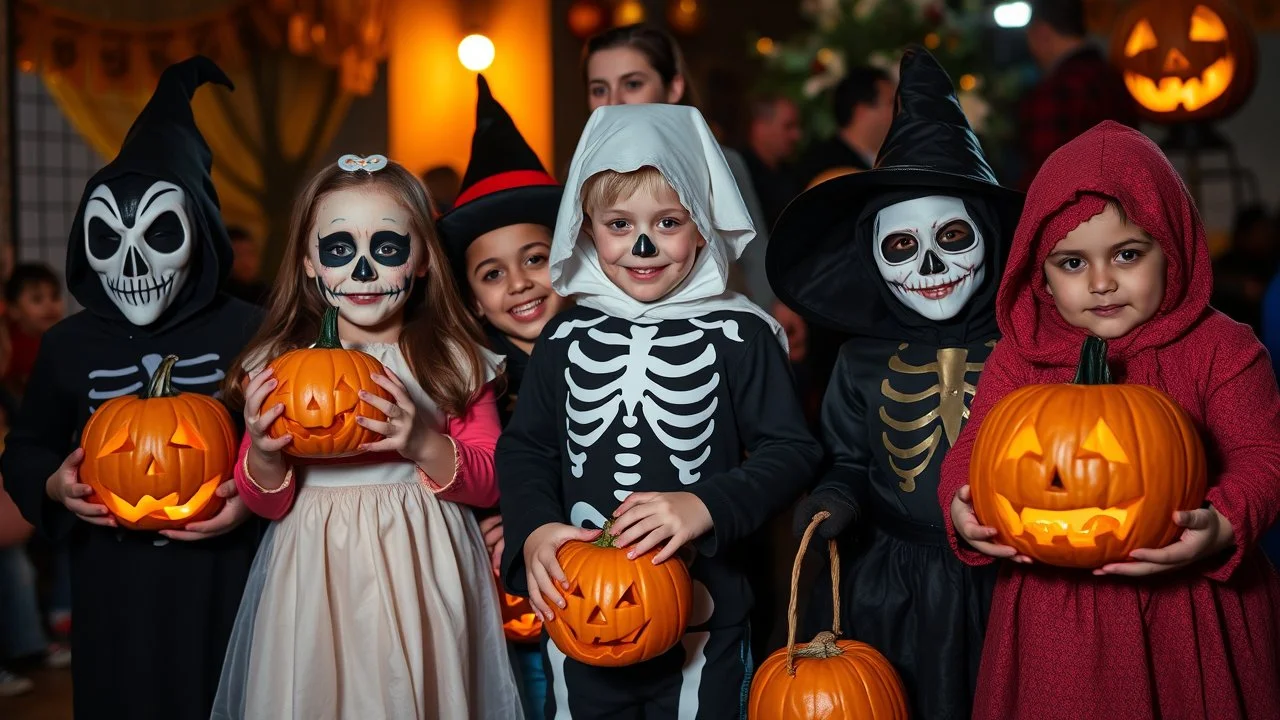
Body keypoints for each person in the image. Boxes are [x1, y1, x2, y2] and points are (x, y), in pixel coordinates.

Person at [942, 121, 1280, 718]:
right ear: (1038, 275)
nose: (1101, 283)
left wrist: (1223, 527)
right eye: (1072, 263)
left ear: (1171, 246)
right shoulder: (1022, 358)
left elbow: (1265, 456)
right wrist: (960, 506)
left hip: (1192, 611)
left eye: (1127, 254)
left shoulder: (1223, 349)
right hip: (1057, 620)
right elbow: (972, 448)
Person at [497, 103, 822, 718]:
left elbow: (793, 450)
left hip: (709, 609)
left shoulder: (739, 333)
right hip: (581, 607)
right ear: (586, 229)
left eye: (668, 221)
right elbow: (526, 448)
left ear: (703, 225)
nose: (642, 245)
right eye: (618, 225)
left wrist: (706, 505)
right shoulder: (564, 337)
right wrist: (536, 530)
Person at [211, 154, 523, 720]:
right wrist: (261, 451)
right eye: (338, 250)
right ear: (308, 263)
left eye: (386, 248)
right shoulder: (278, 366)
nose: (362, 272)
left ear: (424, 257)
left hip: (423, 565)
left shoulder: (452, 360)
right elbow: (264, 500)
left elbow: (494, 477)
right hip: (314, 570)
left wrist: (422, 442)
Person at [0, 56, 265, 720]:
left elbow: (293, 443)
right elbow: (26, 446)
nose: (134, 264)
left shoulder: (253, 331)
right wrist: (56, 485)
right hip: (113, 587)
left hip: (225, 582)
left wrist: (254, 497)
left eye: (158, 235)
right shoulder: (68, 345)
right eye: (108, 239)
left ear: (199, 233)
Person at [767, 46, 1022, 720]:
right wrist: (832, 501)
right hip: (894, 584)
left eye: (953, 236)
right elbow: (848, 459)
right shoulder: (859, 360)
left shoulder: (1026, 353)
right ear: (874, 260)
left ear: (991, 240)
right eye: (902, 247)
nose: (931, 265)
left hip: (1007, 582)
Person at [438, 74, 570, 717]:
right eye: (492, 274)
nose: (519, 283)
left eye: (536, 258)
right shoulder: (472, 382)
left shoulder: (615, 352)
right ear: (470, 297)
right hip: (508, 600)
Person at [1017, 0, 1137, 189]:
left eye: (1028, 36)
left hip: (1073, 208)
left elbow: (1043, 174)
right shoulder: (1114, 79)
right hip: (1123, 204)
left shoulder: (1058, 89)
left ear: (1042, 33)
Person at [794, 65, 896, 189]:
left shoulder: (889, 159)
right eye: (892, 103)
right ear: (861, 111)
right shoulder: (824, 167)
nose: (900, 110)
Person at [740, 92, 803, 231]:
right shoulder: (739, 173)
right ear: (760, 127)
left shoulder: (790, 172)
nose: (797, 135)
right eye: (788, 126)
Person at [222, 226, 270, 306]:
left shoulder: (266, 295)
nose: (246, 261)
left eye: (250, 253)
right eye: (239, 255)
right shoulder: (218, 297)